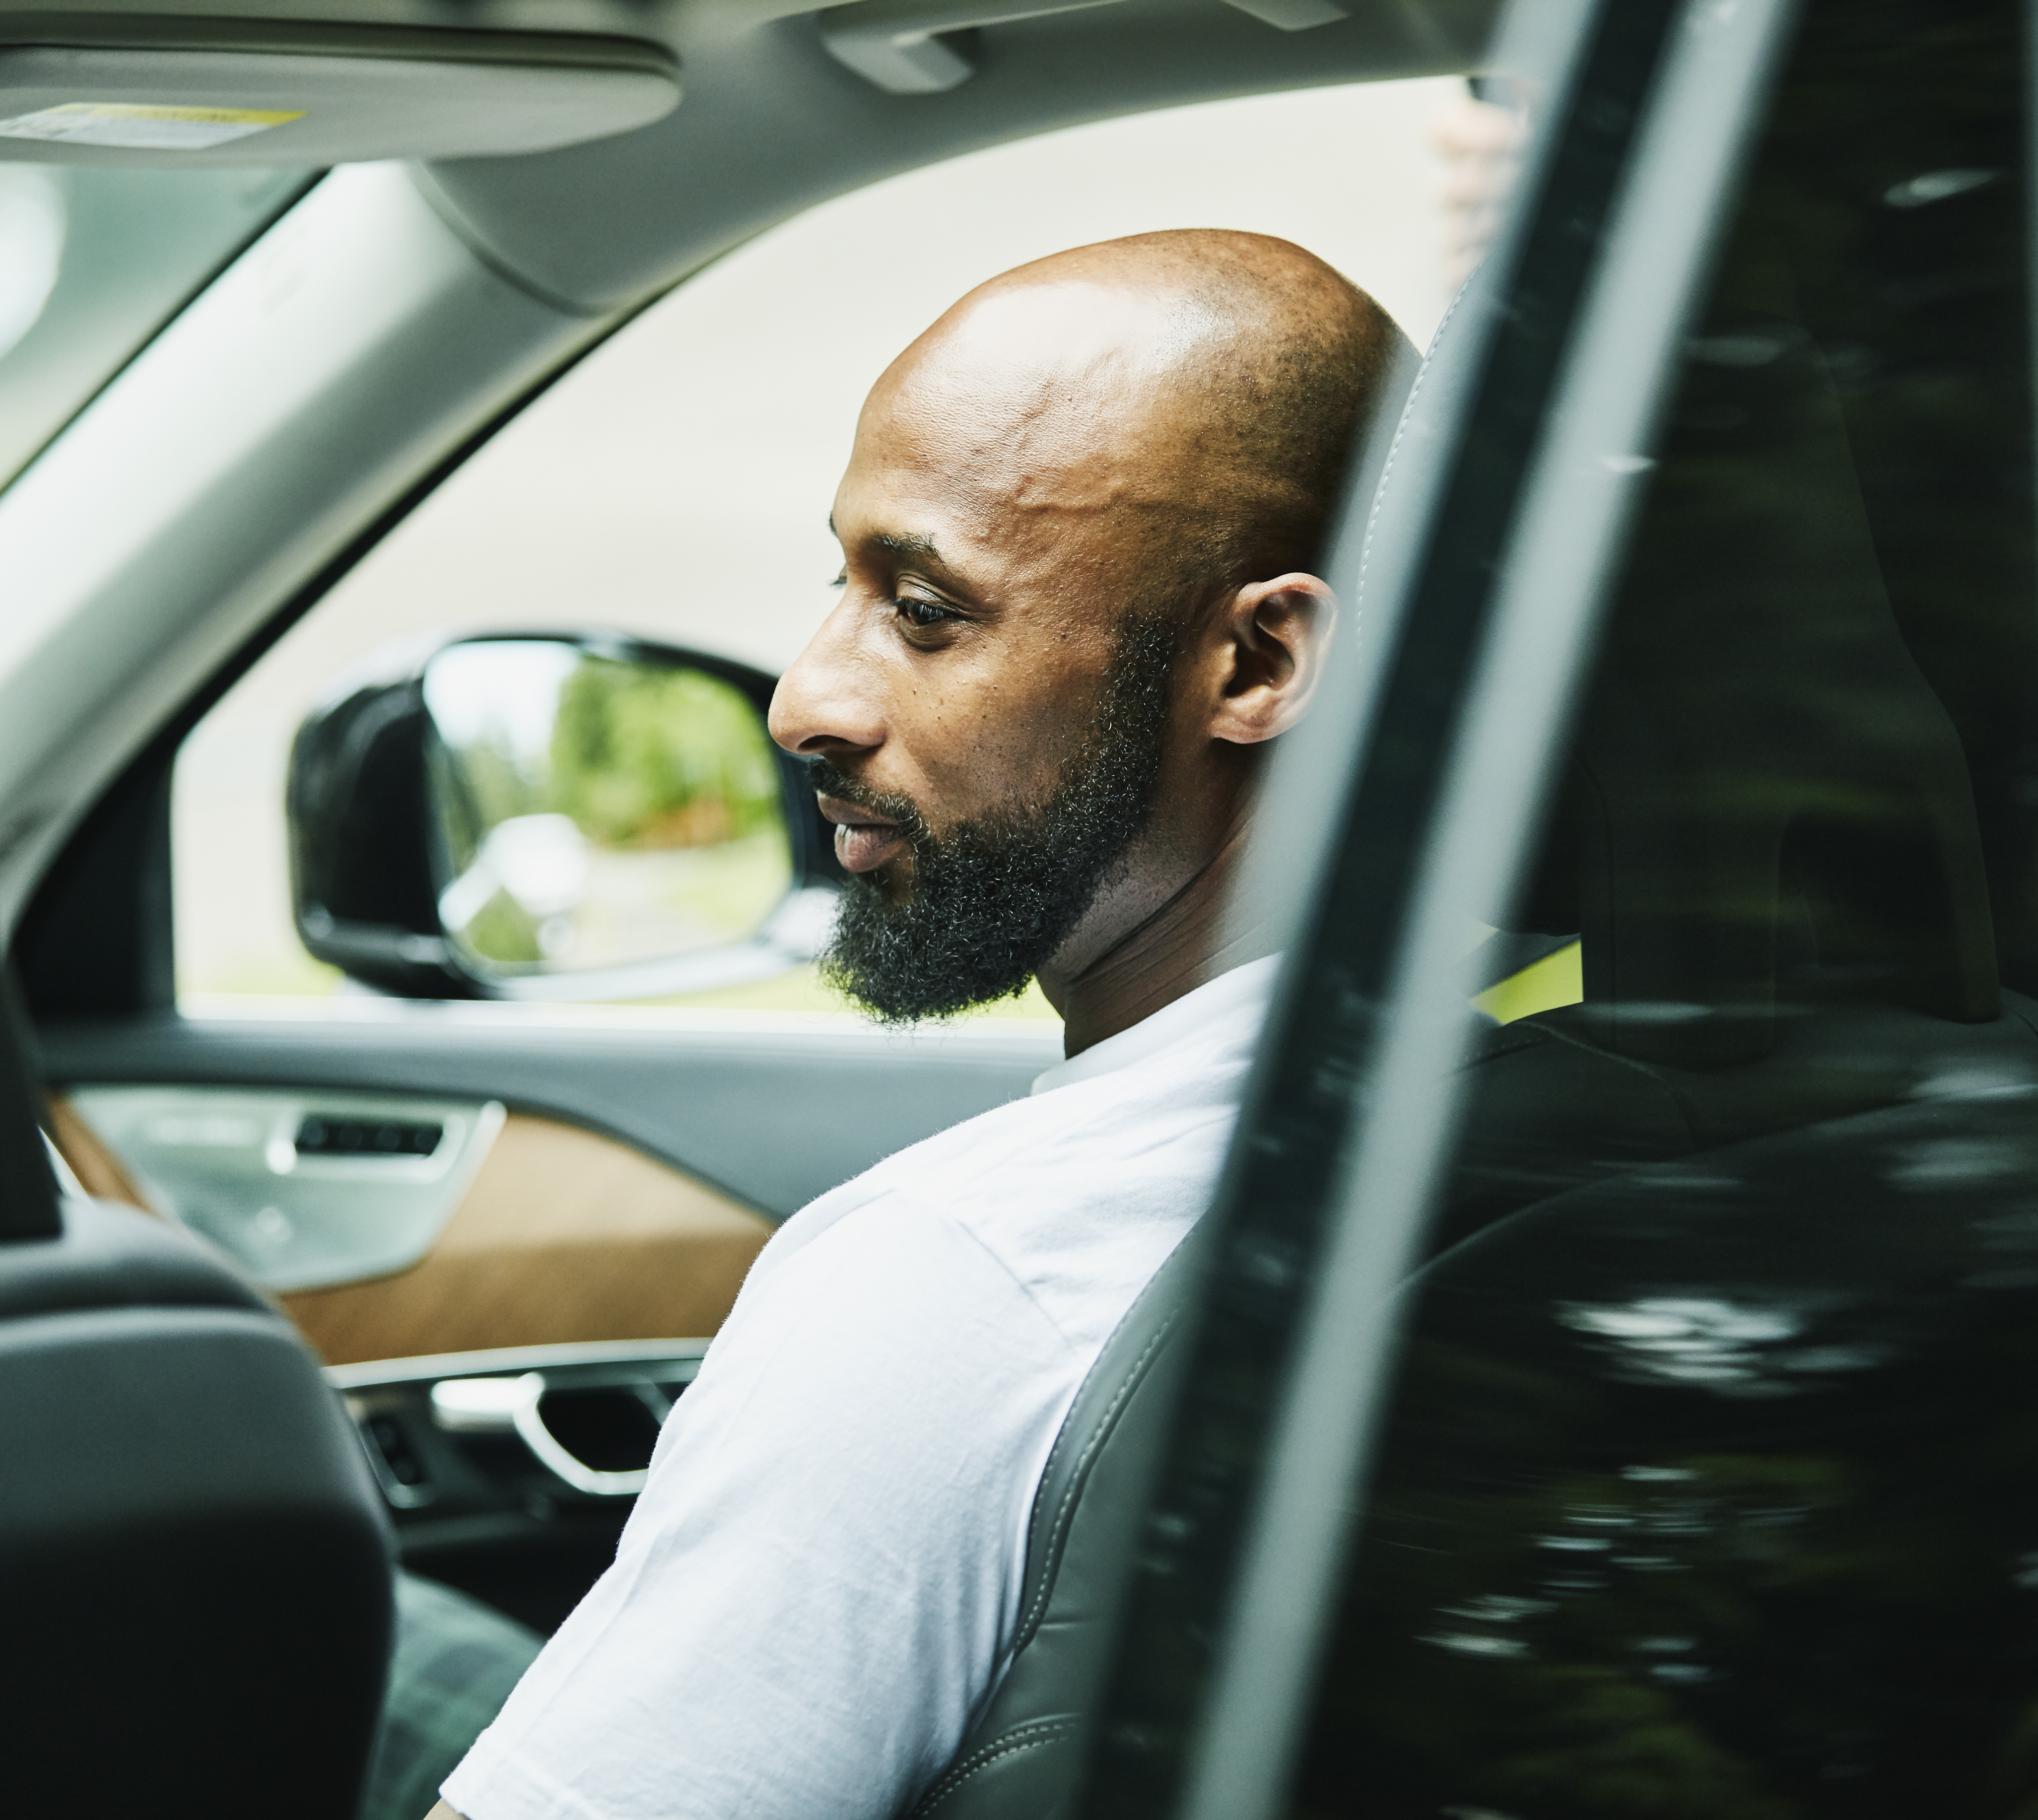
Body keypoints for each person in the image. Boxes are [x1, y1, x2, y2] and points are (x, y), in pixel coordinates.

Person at [412, 227, 1410, 1820]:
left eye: (928, 609)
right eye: (844, 580)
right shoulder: (1535, 1099)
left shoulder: (966, 1282)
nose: (805, 695)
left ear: (1255, 660)